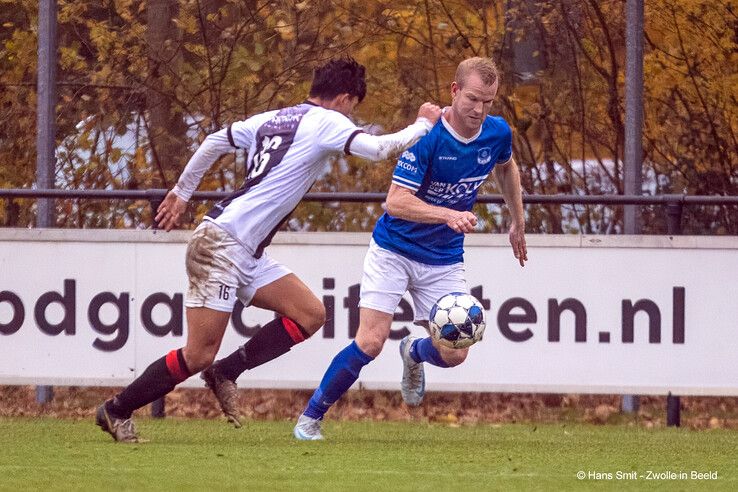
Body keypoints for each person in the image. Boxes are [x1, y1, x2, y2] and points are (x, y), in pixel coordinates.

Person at [95, 56, 441, 443]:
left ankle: (227, 372)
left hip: (243, 250)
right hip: (221, 246)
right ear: (344, 98)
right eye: (353, 107)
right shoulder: (327, 121)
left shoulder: (273, 117)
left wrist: (181, 192)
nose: (351, 115)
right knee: (198, 354)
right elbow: (378, 149)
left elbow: (213, 142)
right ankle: (116, 409)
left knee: (309, 314)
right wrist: (423, 123)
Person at [292, 57, 527, 440]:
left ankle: (414, 352)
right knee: (369, 341)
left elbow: (506, 167)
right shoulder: (428, 137)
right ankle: (311, 417)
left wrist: (517, 219)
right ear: (454, 91)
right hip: (394, 250)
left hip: (443, 258)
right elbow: (395, 201)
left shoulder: (497, 132)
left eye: (488, 101)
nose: (479, 109)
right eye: (472, 99)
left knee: (456, 352)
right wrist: (448, 214)